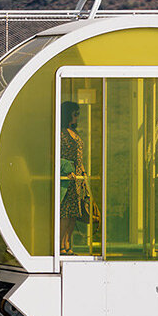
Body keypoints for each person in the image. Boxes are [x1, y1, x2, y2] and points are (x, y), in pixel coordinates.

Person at [59, 100, 98, 253]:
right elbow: (55, 156)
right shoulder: (61, 134)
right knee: (65, 213)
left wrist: (83, 173)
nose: (77, 117)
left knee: (74, 214)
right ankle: (60, 246)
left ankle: (67, 245)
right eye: (75, 114)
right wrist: (66, 170)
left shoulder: (74, 133)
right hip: (67, 179)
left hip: (78, 179)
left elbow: (79, 156)